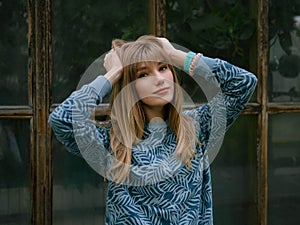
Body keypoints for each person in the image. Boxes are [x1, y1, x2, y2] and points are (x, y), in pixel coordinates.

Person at [49, 35, 257, 225]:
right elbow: (63, 119)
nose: (158, 78)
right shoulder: (112, 142)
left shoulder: (197, 127)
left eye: (163, 67)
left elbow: (243, 83)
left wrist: (176, 56)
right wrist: (113, 74)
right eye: (143, 74)